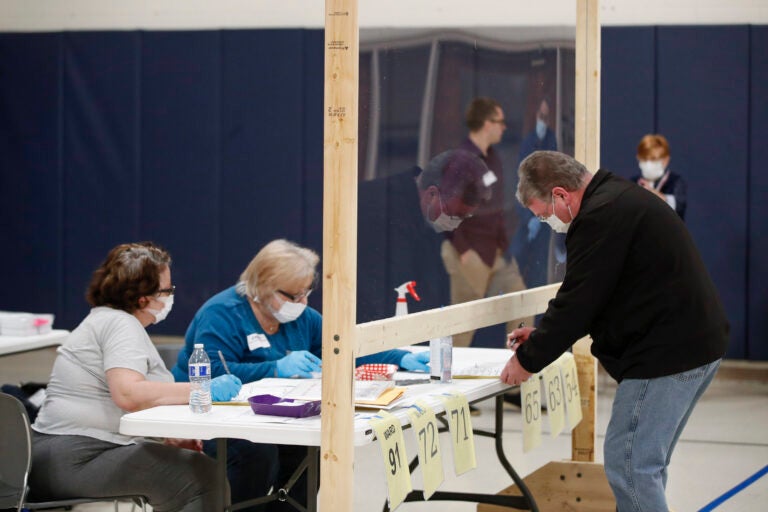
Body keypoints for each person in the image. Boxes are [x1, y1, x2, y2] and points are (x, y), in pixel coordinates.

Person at [501, 151, 729, 512]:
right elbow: (599, 295)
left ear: (560, 195)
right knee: (644, 466)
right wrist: (543, 335)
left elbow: (579, 301)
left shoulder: (599, 217)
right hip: (692, 344)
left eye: (544, 215)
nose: (549, 223)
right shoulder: (617, 198)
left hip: (666, 354)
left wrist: (528, 360)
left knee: (630, 466)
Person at [171, 239, 430, 511]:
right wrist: (275, 368)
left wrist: (400, 357)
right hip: (216, 416)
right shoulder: (222, 314)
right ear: (262, 287)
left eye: (307, 293)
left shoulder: (301, 318)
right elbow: (213, 376)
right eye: (293, 296)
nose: (302, 302)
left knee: (310, 449)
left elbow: (343, 347)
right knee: (257, 453)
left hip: (276, 415)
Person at [30, 242, 242, 512]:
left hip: (59, 455)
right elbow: (128, 394)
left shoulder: (105, 320)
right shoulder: (120, 324)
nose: (170, 297)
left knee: (191, 467)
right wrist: (203, 389)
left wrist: (164, 435)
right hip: (76, 456)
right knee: (202, 477)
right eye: (167, 290)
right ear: (143, 299)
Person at [356, 148, 494, 324]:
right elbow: (381, 296)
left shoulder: (426, 214)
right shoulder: (378, 211)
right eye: (455, 214)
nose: (455, 224)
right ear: (431, 195)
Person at [441, 97, 532, 347]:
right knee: (464, 323)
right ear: (486, 123)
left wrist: (505, 248)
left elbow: (495, 208)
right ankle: (450, 379)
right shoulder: (461, 160)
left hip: (495, 251)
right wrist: (463, 251)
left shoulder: (492, 158)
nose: (504, 127)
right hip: (470, 252)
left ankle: (518, 366)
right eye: (500, 122)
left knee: (521, 301)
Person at [509, 97, 564, 291]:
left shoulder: (552, 140)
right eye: (541, 115)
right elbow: (521, 180)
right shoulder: (529, 141)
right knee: (516, 260)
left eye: (546, 116)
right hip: (527, 216)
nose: (543, 119)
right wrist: (528, 217)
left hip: (545, 217)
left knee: (539, 271)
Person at [632, 133, 687, 220]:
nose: (648, 164)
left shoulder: (675, 182)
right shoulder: (633, 183)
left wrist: (658, 197)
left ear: (665, 160)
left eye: (653, 159)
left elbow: (679, 206)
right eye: (644, 159)